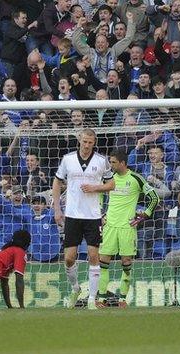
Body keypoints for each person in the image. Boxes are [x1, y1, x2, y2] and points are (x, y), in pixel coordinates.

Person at [52, 128, 114, 309]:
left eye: (90, 142)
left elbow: (111, 184)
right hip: (72, 215)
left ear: (94, 143)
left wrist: (95, 188)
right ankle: (75, 287)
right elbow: (57, 181)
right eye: (84, 141)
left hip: (92, 216)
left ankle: (92, 299)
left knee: (94, 255)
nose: (87, 145)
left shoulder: (102, 161)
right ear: (79, 140)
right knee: (69, 258)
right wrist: (57, 208)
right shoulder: (68, 159)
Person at [95, 150, 160, 308]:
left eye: (114, 162)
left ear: (123, 163)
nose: (111, 165)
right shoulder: (108, 178)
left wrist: (143, 215)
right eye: (110, 162)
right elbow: (100, 195)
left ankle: (122, 299)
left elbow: (154, 198)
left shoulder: (136, 178)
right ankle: (101, 299)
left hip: (127, 227)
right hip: (110, 226)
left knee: (126, 262)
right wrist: (100, 214)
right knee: (103, 261)